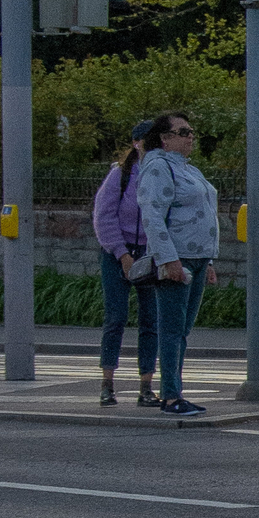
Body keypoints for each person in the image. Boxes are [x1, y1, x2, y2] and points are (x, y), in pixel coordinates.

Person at [135, 110, 221, 416]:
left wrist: (208, 260)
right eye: (183, 132)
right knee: (171, 330)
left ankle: (176, 392)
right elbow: (153, 214)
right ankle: (171, 396)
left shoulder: (188, 169)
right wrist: (168, 259)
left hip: (197, 258)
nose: (190, 137)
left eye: (191, 132)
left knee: (182, 330)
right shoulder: (158, 167)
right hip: (178, 259)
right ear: (165, 138)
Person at [90, 120, 160, 408]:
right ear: (136, 143)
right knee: (116, 317)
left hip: (149, 253)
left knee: (150, 320)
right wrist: (122, 254)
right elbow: (103, 218)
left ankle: (146, 385)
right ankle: (107, 383)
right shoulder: (121, 175)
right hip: (117, 252)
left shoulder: (162, 175)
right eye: (147, 141)